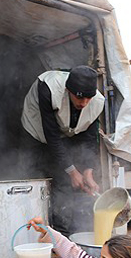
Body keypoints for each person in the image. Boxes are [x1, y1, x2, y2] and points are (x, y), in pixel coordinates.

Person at [21, 66, 105, 235]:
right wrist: (72, 171)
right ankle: (37, 233)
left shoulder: (97, 102)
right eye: (80, 98)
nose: (84, 103)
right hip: (36, 131)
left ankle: (66, 234)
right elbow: (51, 135)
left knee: (66, 182)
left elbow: (89, 138)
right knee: (37, 176)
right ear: (68, 90)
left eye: (89, 98)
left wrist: (87, 171)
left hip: (66, 132)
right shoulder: (47, 87)